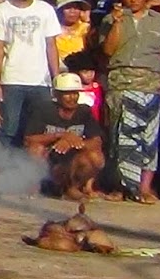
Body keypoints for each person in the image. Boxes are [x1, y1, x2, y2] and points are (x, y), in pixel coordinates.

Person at [99, 0, 160, 202]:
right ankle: (120, 186)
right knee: (119, 136)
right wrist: (117, 23)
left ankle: (144, 187)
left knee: (147, 137)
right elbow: (108, 51)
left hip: (150, 84)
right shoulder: (110, 20)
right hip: (120, 83)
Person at [0, 0, 61, 146]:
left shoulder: (45, 9)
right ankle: (4, 169)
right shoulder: (1, 11)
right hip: (12, 80)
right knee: (10, 129)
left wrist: (56, 78)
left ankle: (35, 171)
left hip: (41, 82)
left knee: (39, 129)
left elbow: (51, 45)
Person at [21, 72, 105, 201]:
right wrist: (60, 136)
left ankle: (71, 188)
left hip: (70, 164)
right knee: (35, 149)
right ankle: (34, 186)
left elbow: (97, 142)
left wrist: (73, 142)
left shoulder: (84, 111)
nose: (72, 97)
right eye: (67, 93)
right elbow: (29, 139)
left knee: (96, 157)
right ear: (56, 95)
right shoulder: (44, 109)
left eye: (75, 93)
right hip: (49, 161)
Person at [53, 0, 91, 65]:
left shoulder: (86, 29)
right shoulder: (53, 30)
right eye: (68, 7)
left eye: (76, 8)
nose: (72, 11)